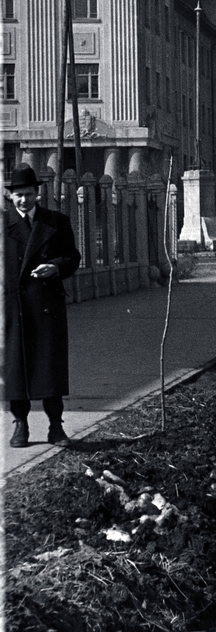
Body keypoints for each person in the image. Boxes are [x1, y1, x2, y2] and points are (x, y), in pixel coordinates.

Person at [5, 164, 81, 448]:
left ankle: (55, 427)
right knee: (16, 369)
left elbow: (73, 257)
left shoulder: (56, 222)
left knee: (50, 369)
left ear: (38, 193)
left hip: (47, 305)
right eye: (17, 196)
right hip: (14, 307)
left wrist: (55, 266)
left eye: (27, 194)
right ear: (10, 197)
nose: (22, 200)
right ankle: (21, 426)